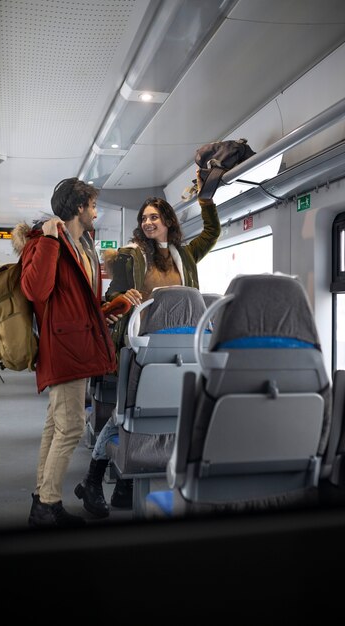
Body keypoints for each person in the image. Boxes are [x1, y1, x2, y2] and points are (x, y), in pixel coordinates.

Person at [74, 170, 221, 518]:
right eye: (144, 218)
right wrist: (124, 294)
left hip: (182, 345)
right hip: (141, 343)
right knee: (128, 414)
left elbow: (213, 231)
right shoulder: (130, 256)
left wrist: (206, 199)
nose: (148, 221)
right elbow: (112, 297)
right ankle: (95, 478)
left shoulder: (184, 255)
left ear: (168, 220)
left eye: (155, 216)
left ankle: (127, 480)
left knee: (165, 412)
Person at [12, 177, 117, 528]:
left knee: (54, 426)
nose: (95, 212)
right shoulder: (46, 241)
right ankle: (47, 504)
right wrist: (51, 240)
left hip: (77, 344)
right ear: (78, 208)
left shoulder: (83, 243)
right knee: (71, 426)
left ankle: (44, 500)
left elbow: (77, 302)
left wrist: (107, 309)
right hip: (64, 348)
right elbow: (36, 289)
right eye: (93, 206)